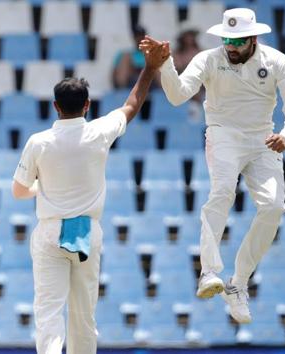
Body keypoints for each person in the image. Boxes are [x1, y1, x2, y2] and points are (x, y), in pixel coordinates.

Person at [141, 8, 285, 323]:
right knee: (222, 192)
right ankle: (209, 272)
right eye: (226, 38)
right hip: (223, 134)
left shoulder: (277, 62)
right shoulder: (208, 59)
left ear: (253, 38)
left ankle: (238, 284)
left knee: (273, 207)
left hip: (264, 139)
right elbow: (177, 96)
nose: (230, 46)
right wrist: (165, 64)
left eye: (238, 40)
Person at [11, 44, 169, 352]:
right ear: (87, 106)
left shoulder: (38, 142)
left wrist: (40, 188)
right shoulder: (99, 131)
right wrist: (150, 69)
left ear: (55, 107)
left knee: (49, 312)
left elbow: (18, 191)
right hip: (87, 231)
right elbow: (132, 105)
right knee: (84, 314)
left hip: (50, 231)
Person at [112, 25, 148, 89]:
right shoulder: (124, 54)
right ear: (134, 37)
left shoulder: (151, 53)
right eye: (137, 36)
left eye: (141, 35)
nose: (139, 38)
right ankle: (121, 90)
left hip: (149, 81)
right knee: (125, 57)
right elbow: (114, 72)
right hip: (130, 81)